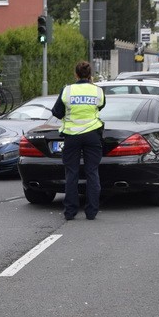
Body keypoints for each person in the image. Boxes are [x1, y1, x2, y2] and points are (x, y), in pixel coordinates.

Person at [52, 60, 106, 221]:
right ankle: (91, 212)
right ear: (90, 75)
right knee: (92, 172)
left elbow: (56, 112)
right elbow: (101, 106)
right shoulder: (97, 91)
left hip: (72, 136)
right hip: (92, 135)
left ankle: (70, 212)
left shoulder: (67, 90)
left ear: (75, 74)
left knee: (72, 173)